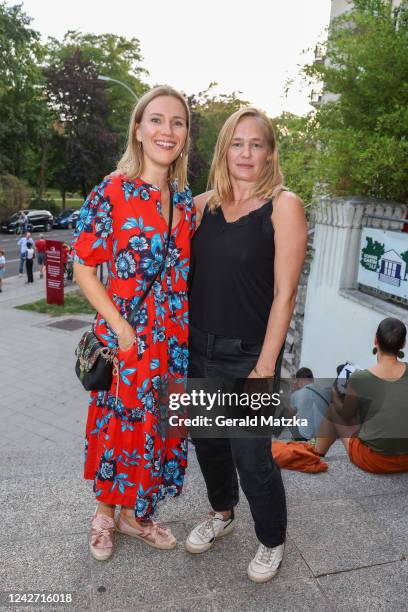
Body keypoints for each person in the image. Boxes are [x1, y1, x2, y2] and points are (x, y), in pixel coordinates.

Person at [71, 86, 194, 561]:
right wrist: (120, 327)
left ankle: (134, 515)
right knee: (118, 425)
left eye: (178, 122)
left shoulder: (182, 200)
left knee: (157, 427)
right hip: (127, 339)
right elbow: (83, 265)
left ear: (185, 136)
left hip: (171, 342)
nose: (168, 130)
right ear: (139, 131)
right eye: (157, 120)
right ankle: (105, 514)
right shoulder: (113, 191)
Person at [185, 107, 307, 583]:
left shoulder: (284, 205)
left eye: (256, 144)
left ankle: (271, 539)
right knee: (207, 443)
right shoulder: (200, 206)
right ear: (223, 149)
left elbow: (285, 293)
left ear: (270, 152)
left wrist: (265, 363)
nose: (246, 153)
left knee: (251, 455)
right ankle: (222, 512)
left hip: (250, 353)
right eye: (237, 143)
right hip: (197, 348)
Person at [315, 317, 408, 473]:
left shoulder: (361, 378)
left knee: (333, 410)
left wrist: (335, 395)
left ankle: (315, 454)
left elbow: (346, 414)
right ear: (403, 344)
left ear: (375, 340)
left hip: (376, 461)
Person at [287, 367, 331, 441]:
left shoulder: (298, 394)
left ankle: (274, 436)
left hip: (307, 435)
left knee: (286, 412)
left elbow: (291, 412)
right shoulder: (324, 391)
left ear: (300, 380)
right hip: (325, 433)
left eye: (297, 382)